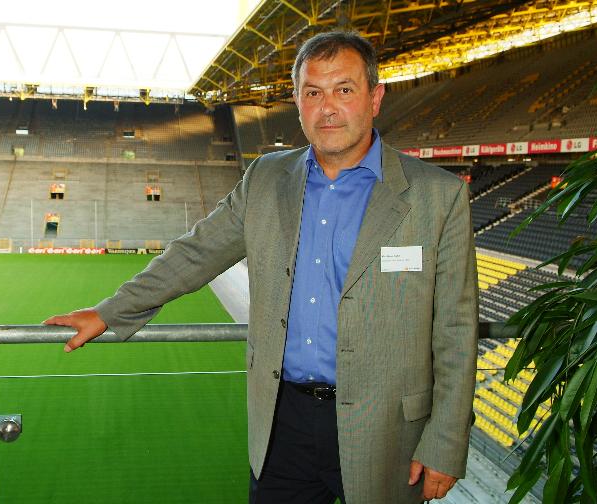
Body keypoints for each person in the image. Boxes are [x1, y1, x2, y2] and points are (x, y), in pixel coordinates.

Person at [45, 30, 478, 504]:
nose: (327, 108)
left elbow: (456, 331)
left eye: (344, 90)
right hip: (282, 424)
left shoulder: (438, 196)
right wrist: (111, 310)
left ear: (375, 98)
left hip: (387, 429)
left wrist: (446, 442)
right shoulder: (266, 178)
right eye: (313, 93)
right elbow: (197, 252)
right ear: (297, 102)